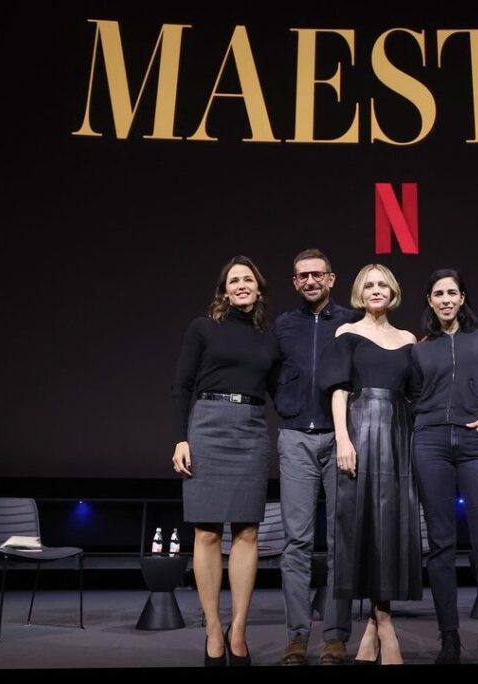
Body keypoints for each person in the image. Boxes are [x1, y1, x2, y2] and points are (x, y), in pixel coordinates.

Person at [170, 255, 279, 667]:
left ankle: (239, 631)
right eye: (234, 280)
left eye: (248, 279)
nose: (241, 285)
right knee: (207, 534)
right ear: (224, 289)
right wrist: (181, 438)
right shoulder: (203, 328)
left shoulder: (269, 338)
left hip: (251, 428)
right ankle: (213, 629)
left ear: (258, 287)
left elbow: (278, 391)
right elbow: (181, 386)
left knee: (248, 533)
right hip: (208, 426)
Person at [409, 269, 478, 665]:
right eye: (438, 294)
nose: (445, 300)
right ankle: (449, 639)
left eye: (452, 293)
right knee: (440, 546)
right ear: (429, 300)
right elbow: (414, 397)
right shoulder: (419, 349)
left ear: (463, 297)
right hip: (431, 443)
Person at [318, 264, 421, 665]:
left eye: (383, 285)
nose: (376, 290)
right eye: (369, 285)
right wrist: (343, 438)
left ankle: (374, 627)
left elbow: (414, 395)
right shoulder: (346, 334)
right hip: (360, 431)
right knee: (360, 528)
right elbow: (339, 391)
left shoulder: (409, 339)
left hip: (399, 435)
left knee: (393, 528)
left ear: (393, 292)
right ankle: (384, 625)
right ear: (359, 292)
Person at [271, 249, 359, 666]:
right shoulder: (283, 326)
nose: (309, 281)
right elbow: (270, 374)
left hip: (340, 441)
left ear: (331, 278)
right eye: (302, 275)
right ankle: (296, 637)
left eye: (316, 275)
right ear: (294, 282)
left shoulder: (350, 321)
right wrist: (288, 407)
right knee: (296, 543)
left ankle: (337, 637)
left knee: (341, 540)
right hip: (295, 440)